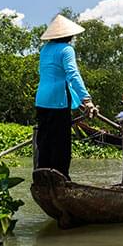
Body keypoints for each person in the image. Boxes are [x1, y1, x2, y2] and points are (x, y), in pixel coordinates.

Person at [34, 14, 97, 178]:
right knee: (61, 143)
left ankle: (42, 174)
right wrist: (87, 99)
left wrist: (79, 101)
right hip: (58, 101)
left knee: (44, 141)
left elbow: (53, 75)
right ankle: (60, 177)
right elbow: (72, 75)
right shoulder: (67, 49)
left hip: (41, 99)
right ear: (68, 35)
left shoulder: (45, 50)